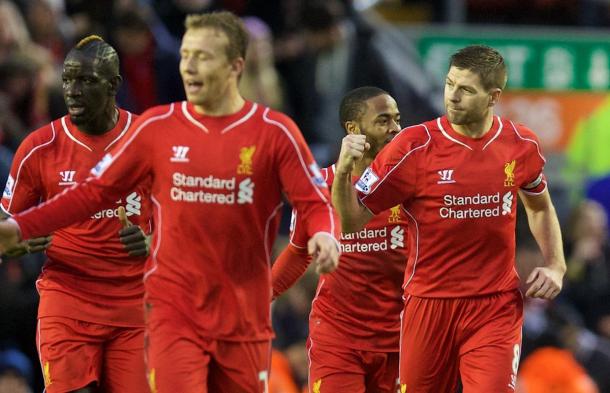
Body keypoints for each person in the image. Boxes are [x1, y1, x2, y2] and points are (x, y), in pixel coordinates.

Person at [0, 12, 340, 393]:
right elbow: (93, 192)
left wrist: (325, 234)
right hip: (159, 309)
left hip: (236, 316)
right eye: (185, 55)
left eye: (203, 56)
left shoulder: (275, 133)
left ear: (235, 66)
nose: (190, 67)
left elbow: (313, 202)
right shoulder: (158, 128)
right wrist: (20, 227)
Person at [331, 45, 566, 392]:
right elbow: (350, 221)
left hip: (494, 305)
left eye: (466, 89)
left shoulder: (521, 145)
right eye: (449, 83)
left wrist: (556, 265)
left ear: (493, 97)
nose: (452, 97)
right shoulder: (413, 147)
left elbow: (539, 206)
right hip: (428, 305)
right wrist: (343, 171)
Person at [0, 35, 152, 393]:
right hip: (67, 301)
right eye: (67, 79)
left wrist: (153, 240)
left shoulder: (148, 141)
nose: (73, 90)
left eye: (86, 80)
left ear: (114, 84)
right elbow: (4, 230)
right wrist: (13, 243)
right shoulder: (39, 149)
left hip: (136, 306)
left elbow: (186, 220)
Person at [272, 86, 405, 392]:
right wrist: (262, 296)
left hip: (399, 338)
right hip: (337, 336)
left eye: (397, 119)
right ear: (353, 129)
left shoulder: (410, 184)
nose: (395, 128)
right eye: (383, 120)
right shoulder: (320, 186)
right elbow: (297, 252)